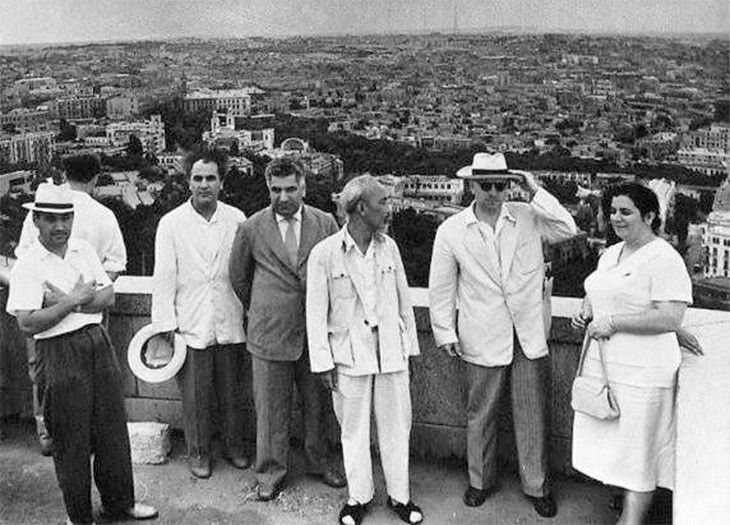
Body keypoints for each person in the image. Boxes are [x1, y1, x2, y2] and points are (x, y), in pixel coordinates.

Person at [429, 152, 577, 518]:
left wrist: (535, 189)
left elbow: (568, 228)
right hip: (481, 331)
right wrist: (444, 331)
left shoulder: (527, 216)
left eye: (501, 185)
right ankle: (479, 481)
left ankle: (537, 485)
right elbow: (441, 286)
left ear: (510, 185)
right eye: (486, 185)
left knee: (532, 414)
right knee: (481, 412)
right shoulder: (451, 230)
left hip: (527, 332)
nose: (494, 192)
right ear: (472, 186)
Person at [6, 182, 157, 525]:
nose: (60, 227)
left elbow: (108, 297)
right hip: (57, 351)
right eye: (51, 219)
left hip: (96, 342)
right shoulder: (28, 264)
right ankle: (79, 517)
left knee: (111, 429)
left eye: (66, 218)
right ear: (36, 220)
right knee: (70, 439)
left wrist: (62, 302)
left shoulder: (84, 250)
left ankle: (120, 504)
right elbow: (27, 322)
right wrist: (74, 299)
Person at [570, 182, 693, 525]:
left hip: (643, 372)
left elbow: (670, 317)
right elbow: (598, 289)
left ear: (650, 216)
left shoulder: (664, 258)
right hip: (608, 368)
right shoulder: (612, 253)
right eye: (612, 211)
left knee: (640, 453)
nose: (616, 218)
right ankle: (627, 508)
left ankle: (631, 521)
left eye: (626, 212)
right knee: (619, 447)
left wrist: (614, 322)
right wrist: (586, 310)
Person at [307, 175, 424, 525]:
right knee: (353, 429)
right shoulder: (325, 254)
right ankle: (358, 497)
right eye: (382, 202)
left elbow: (404, 302)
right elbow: (315, 313)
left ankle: (400, 496)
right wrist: (323, 362)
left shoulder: (390, 248)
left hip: (390, 350)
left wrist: (410, 351)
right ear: (360, 208)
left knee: (397, 426)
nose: (389, 209)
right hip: (349, 353)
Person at [229, 157, 345, 501]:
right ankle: (269, 473)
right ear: (268, 189)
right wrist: (264, 308)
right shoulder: (251, 227)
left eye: (290, 189)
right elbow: (238, 277)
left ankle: (320, 462)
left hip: (314, 333)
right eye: (276, 190)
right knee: (270, 410)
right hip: (270, 333)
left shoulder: (325, 223)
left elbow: (338, 270)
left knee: (318, 405)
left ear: (304, 187)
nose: (283, 197)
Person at [16, 154, 127, 456]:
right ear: (95, 178)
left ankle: (48, 434)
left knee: (42, 373)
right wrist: (88, 292)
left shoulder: (41, 211)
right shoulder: (104, 215)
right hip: (88, 310)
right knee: (91, 379)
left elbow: (24, 255)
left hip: (47, 305)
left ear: (65, 175)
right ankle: (86, 435)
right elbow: (116, 265)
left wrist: (63, 297)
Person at [151, 147, 248, 479]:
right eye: (198, 178)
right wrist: (165, 324)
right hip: (190, 321)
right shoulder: (171, 223)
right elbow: (164, 277)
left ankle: (235, 448)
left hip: (230, 318)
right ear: (188, 182)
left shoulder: (237, 219)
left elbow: (245, 270)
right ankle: (199, 453)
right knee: (195, 397)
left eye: (210, 178)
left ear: (222, 182)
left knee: (232, 393)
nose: (204, 185)